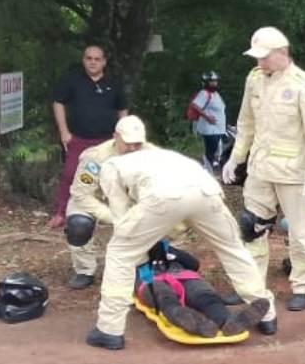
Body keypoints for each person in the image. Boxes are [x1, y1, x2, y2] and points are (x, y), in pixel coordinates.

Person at [85, 147, 276, 350]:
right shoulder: (158, 157)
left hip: (165, 199)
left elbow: (121, 213)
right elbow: (178, 218)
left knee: (120, 253)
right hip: (206, 190)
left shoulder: (110, 167)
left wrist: (143, 252)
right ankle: (267, 315)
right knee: (233, 250)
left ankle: (109, 329)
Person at [222, 27, 305, 316]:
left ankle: (302, 286)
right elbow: (246, 124)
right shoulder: (255, 80)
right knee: (251, 227)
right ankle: (251, 287)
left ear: (283, 53)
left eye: (265, 58)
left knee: (300, 234)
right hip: (260, 168)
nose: (260, 64)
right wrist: (235, 159)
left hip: (294, 173)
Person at [62, 115, 155, 290]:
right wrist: (113, 217)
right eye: (128, 143)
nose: (133, 148)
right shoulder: (96, 157)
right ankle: (85, 270)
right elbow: (81, 194)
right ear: (116, 137)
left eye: (137, 144)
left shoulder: (151, 155)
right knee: (78, 225)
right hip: (95, 200)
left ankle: (145, 263)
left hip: (130, 201)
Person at [48, 45, 128, 229]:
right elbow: (58, 102)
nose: (92, 62)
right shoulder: (72, 81)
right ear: (84, 60)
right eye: (89, 58)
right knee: (70, 175)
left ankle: (113, 214)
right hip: (79, 139)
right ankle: (61, 213)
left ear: (104, 62)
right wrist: (64, 133)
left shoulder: (113, 83)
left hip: (108, 141)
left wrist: (121, 135)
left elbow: (122, 109)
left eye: (97, 59)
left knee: (111, 177)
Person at [136, 241, 270, 338]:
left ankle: (230, 321)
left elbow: (194, 264)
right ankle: (193, 323)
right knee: (164, 297)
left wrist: (170, 251)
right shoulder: (129, 252)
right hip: (150, 279)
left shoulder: (167, 249)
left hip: (182, 275)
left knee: (205, 295)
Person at [190, 71, 228, 172]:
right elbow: (195, 105)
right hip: (210, 129)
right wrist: (207, 117)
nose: (214, 83)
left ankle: (210, 167)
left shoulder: (215, 94)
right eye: (212, 81)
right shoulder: (204, 93)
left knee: (217, 149)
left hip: (219, 128)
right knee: (211, 150)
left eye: (215, 81)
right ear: (206, 82)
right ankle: (207, 169)